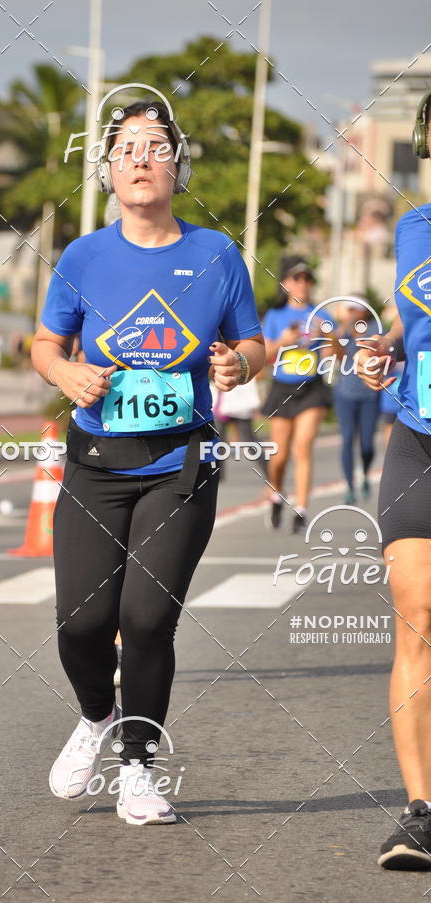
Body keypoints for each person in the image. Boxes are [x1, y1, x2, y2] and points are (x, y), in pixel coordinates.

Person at [32, 99, 264, 824]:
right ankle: (97, 714)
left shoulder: (217, 255)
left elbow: (253, 345)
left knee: (146, 615)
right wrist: (66, 375)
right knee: (80, 622)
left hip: (179, 462)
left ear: (177, 164)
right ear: (106, 170)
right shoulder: (83, 257)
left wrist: (237, 366)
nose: (140, 157)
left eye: (155, 144)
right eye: (126, 146)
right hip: (96, 462)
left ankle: (138, 768)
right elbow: (44, 344)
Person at [355, 89, 431, 869]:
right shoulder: (414, 229)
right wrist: (387, 348)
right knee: (417, 614)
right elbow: (415, 316)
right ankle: (422, 813)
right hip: (418, 440)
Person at [261, 256, 339, 532]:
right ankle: (276, 495)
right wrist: (284, 341)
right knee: (279, 455)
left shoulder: (322, 314)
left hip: (312, 388)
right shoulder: (275, 316)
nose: (303, 283)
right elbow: (263, 354)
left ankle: (302, 509)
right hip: (282, 387)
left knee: (303, 446)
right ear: (284, 283)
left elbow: (337, 353)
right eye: (297, 278)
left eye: (307, 278)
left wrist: (328, 338)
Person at [333, 297, 380, 504]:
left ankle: (366, 473)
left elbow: (380, 353)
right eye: (349, 309)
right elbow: (337, 357)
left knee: (367, 443)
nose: (352, 313)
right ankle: (350, 487)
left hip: (370, 394)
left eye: (356, 310)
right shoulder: (342, 331)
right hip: (345, 393)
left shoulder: (374, 328)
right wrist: (341, 334)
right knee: (348, 437)